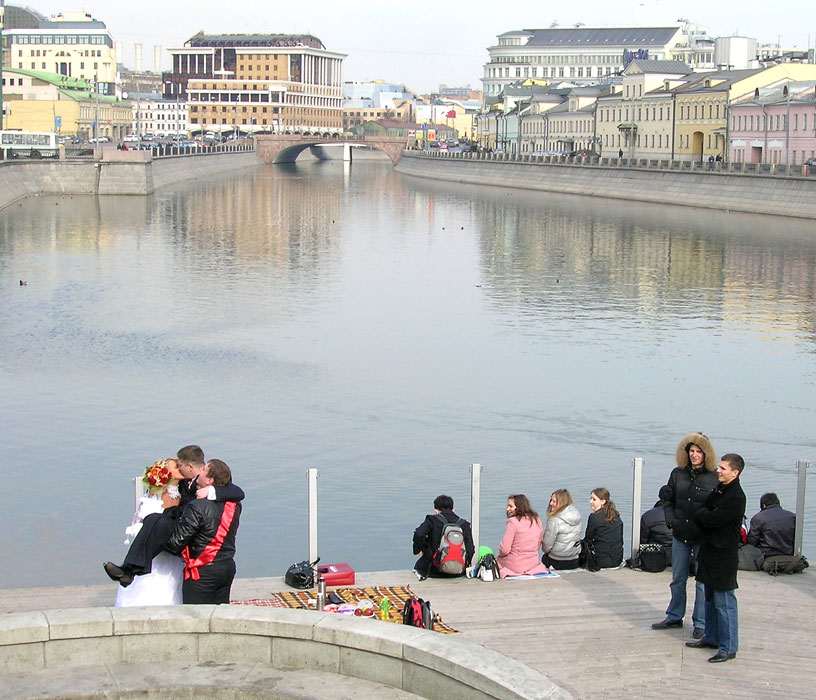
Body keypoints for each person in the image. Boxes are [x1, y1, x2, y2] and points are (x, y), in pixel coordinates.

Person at [103, 445, 244, 587]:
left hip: (193, 533)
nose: (179, 468)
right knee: (152, 518)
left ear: (189, 466)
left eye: (180, 465)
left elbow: (238, 492)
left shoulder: (207, 481)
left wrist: (211, 491)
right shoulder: (185, 481)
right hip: (180, 521)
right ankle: (128, 570)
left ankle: (130, 571)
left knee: (160, 523)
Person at [652, 432, 718, 638]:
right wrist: (671, 520)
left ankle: (700, 622)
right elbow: (667, 499)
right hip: (680, 533)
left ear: (706, 454)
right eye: (691, 451)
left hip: (702, 535)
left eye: (699, 451)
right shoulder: (677, 474)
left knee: (701, 581)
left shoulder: (714, 477)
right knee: (677, 578)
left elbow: (717, 507)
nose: (695, 455)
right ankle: (674, 615)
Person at [685, 453, 746, 662]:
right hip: (709, 550)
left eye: (723, 468)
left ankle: (729, 647)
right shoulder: (720, 489)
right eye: (719, 467)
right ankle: (711, 637)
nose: (718, 470)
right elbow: (704, 509)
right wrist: (705, 515)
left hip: (723, 554)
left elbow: (713, 518)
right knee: (709, 597)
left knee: (724, 601)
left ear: (735, 473)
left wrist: (704, 516)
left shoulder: (736, 496)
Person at [166, 459, 242, 604]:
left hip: (202, 572)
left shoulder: (196, 507)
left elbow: (176, 543)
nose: (199, 470)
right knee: (220, 617)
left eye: (203, 470)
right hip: (226, 567)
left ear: (209, 481)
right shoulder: (235, 505)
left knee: (196, 618)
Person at [115, 459, 185, 607]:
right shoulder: (156, 495)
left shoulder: (183, 489)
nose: (180, 467)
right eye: (176, 466)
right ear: (166, 473)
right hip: (154, 545)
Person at [412, 494, 474, 580]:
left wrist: (418, 550)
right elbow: (470, 549)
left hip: (434, 571)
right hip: (459, 572)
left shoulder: (432, 520)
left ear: (436, 511)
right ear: (453, 510)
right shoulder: (464, 524)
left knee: (419, 566)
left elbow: (419, 534)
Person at [496, 494, 550, 577]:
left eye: (510, 506)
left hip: (515, 565)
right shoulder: (536, 519)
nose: (508, 509)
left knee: (497, 562)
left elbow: (504, 550)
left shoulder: (512, 522)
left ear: (518, 507)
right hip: (533, 563)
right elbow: (538, 544)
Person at [541, 489, 582, 570]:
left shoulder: (554, 520)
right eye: (551, 500)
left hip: (557, 560)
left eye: (554, 501)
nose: (551, 503)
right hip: (574, 559)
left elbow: (546, 546)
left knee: (544, 558)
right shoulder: (577, 516)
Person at [584, 488, 623, 568]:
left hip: (600, 561)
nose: (590, 502)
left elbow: (588, 539)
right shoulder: (616, 515)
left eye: (594, 499)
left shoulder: (594, 517)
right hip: (617, 559)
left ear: (603, 501)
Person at [747, 493, 795, 557]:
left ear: (763, 505)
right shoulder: (792, 517)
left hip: (766, 555)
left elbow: (752, 541)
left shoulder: (758, 518)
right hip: (788, 554)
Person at [640, 499, 673, 565]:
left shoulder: (647, 515)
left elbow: (643, 540)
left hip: (655, 556)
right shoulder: (681, 514)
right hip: (677, 556)